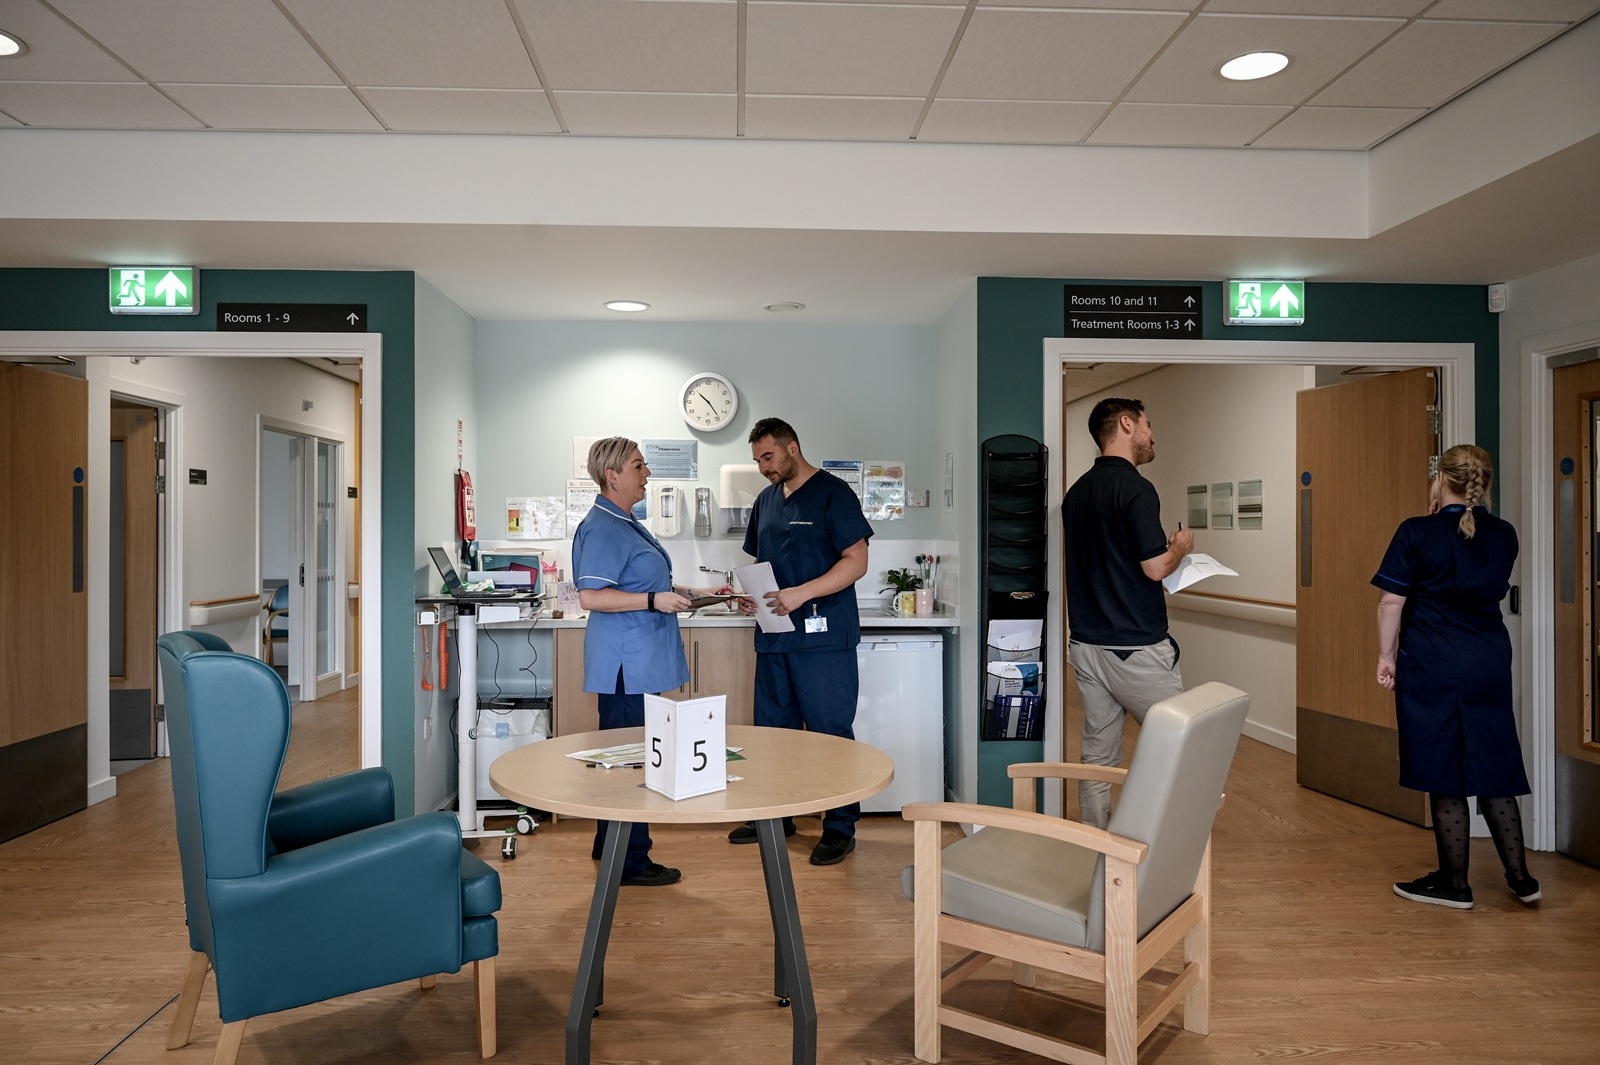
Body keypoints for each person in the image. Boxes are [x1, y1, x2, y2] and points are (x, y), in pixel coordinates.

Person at [1374, 444, 1539, 909]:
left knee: (1442, 767)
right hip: (1488, 661)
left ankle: (1455, 885)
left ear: (1441, 479)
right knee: (1494, 763)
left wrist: (1385, 657)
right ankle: (1522, 879)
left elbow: (1391, 602)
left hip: (1433, 662)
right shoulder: (1503, 534)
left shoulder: (1417, 531)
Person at [571, 436, 732, 887]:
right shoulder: (603, 527)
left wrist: (698, 592)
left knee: (628, 754)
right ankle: (629, 862)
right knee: (633, 760)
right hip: (627, 664)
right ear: (613, 476)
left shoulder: (626, 522)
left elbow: (647, 582)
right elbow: (592, 596)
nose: (647, 474)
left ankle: (610, 845)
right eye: (638, 466)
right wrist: (652, 600)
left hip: (639, 659)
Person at [731, 418, 873, 865]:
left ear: (792, 447)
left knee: (831, 733)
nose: (764, 467)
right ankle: (778, 816)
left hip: (823, 638)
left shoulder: (834, 494)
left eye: (768, 457)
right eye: (758, 460)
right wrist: (750, 597)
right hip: (775, 638)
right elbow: (765, 563)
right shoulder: (766, 501)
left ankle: (840, 827)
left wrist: (802, 593)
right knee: (774, 734)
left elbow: (857, 561)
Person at [1062, 398, 1193, 828]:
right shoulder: (1136, 488)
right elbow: (1155, 568)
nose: (1153, 436)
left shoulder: (1076, 493)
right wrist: (1179, 548)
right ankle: (1165, 842)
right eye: (1147, 425)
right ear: (1125, 424)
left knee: (1098, 757)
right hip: (1135, 647)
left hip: (1086, 646)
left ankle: (1096, 843)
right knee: (1180, 746)